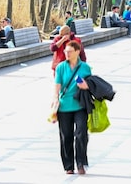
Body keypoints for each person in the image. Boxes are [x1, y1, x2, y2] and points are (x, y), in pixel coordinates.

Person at [52, 40, 92, 175]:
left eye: (69, 52)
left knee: (81, 133)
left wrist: (85, 85)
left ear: (77, 51)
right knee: (66, 136)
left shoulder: (85, 67)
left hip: (80, 105)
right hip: (64, 106)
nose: (67, 54)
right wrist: (55, 99)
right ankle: (68, 166)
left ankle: (81, 163)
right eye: (65, 52)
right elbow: (57, 84)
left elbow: (90, 84)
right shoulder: (61, 67)